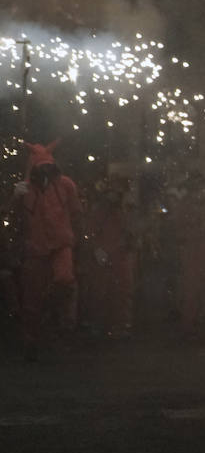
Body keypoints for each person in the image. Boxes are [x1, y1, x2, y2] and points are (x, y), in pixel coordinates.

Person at [8, 142, 83, 360]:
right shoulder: (24, 190)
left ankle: (60, 333)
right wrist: (15, 199)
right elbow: (14, 220)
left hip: (60, 245)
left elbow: (77, 214)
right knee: (32, 299)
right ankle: (32, 341)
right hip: (36, 250)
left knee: (64, 281)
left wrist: (77, 241)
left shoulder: (65, 185)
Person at [170, 172, 205, 337]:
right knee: (192, 290)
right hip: (193, 252)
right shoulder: (185, 205)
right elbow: (178, 230)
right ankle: (190, 325)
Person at [85, 177, 138, 338]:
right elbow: (90, 231)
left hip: (120, 255)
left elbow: (132, 232)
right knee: (102, 290)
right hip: (106, 255)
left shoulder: (125, 210)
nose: (117, 193)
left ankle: (119, 325)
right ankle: (102, 324)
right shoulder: (101, 209)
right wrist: (96, 249)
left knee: (122, 291)